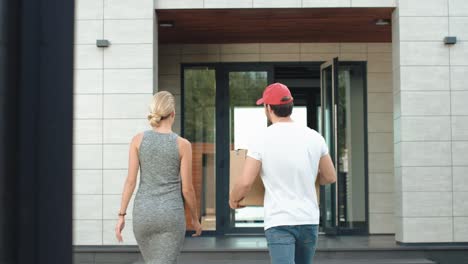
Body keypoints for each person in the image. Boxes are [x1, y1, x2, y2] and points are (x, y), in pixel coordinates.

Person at [229, 83, 337, 264]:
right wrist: (307, 178)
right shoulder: (314, 137)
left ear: (268, 108)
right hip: (308, 219)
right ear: (290, 106)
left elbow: (245, 182)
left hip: (279, 221)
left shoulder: (261, 139)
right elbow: (330, 176)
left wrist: (233, 199)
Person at [115, 91, 202, 264]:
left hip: (143, 215)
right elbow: (187, 188)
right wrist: (195, 218)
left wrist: (121, 215)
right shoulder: (183, 145)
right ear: (173, 114)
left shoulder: (138, 140)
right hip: (170, 216)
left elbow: (130, 181)